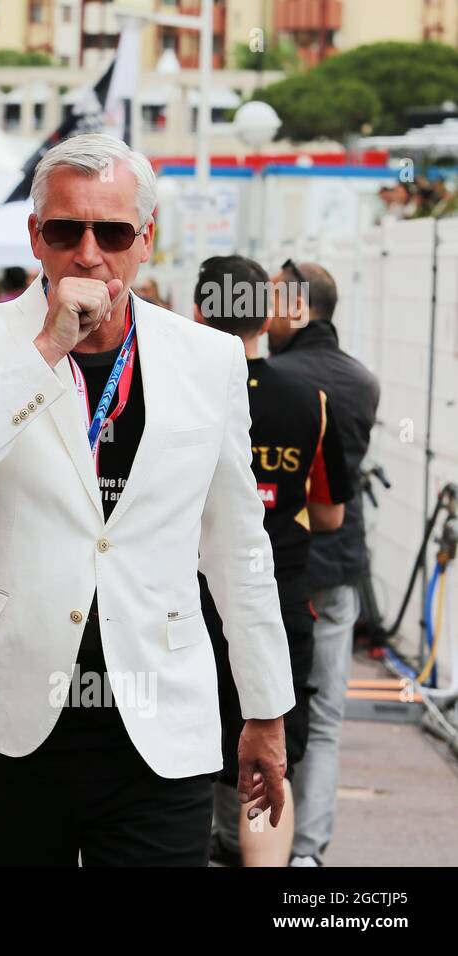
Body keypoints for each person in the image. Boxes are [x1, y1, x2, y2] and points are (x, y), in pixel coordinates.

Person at [0, 132, 295, 866]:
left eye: (110, 232)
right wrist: (42, 351)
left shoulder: (206, 359)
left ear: (145, 240)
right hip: (5, 712)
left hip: (156, 721)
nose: (87, 252)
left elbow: (237, 545)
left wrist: (265, 708)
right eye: (65, 230)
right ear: (35, 237)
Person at [192, 255, 353, 867]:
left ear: (201, 311)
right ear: (265, 318)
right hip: (278, 598)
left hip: (188, 597)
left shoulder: (169, 389)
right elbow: (332, 513)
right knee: (264, 774)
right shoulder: (310, 400)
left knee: (180, 764)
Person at [266, 259, 381, 867]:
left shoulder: (276, 379)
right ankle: (307, 854)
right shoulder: (362, 381)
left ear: (296, 306)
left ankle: (241, 839)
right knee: (327, 717)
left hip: (281, 569)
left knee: (255, 706)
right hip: (339, 572)